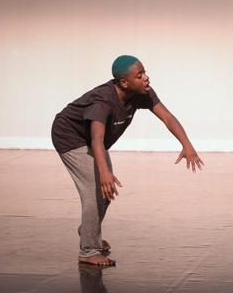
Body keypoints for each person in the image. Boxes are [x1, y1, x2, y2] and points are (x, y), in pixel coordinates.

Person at [51, 55, 204, 266]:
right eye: (139, 75)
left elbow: (167, 117)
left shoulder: (142, 93)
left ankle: (88, 231)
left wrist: (186, 144)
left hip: (93, 140)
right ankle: (88, 250)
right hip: (69, 135)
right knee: (97, 188)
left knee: (106, 190)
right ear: (124, 82)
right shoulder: (103, 101)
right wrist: (103, 172)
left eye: (145, 72)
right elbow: (97, 138)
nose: (146, 78)